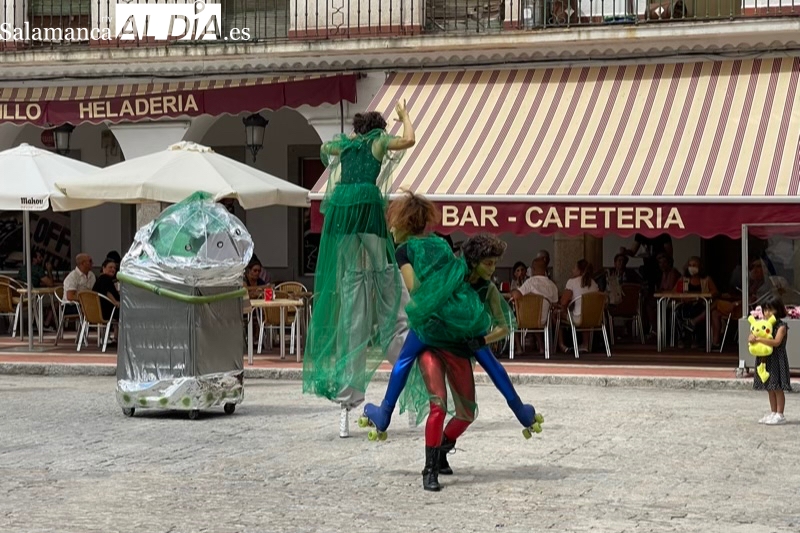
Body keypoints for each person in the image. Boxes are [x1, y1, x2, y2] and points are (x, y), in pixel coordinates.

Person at [361, 200, 542, 488]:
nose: (494, 269)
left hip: (439, 330)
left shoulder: (406, 251)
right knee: (438, 404)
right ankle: (429, 469)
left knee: (462, 408)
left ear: (404, 223)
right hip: (444, 334)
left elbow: (415, 289)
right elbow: (492, 363)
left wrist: (433, 301)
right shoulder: (444, 249)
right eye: (490, 263)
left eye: (394, 224)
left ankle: (400, 422)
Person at [303, 100, 416, 437]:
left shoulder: (347, 144)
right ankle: (405, 371)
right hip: (365, 209)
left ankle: (346, 401)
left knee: (353, 286)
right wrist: (405, 117)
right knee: (384, 273)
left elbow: (325, 147)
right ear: (378, 128)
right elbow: (408, 140)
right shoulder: (378, 141)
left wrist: (343, 143)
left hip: (342, 212)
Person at [751, 296, 791, 425]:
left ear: (778, 310)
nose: (767, 313)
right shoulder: (761, 324)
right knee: (769, 387)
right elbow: (753, 334)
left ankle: (780, 414)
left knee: (777, 387)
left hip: (777, 359)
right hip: (765, 359)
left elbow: (776, 342)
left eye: (770, 310)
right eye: (765, 310)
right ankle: (773, 412)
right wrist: (752, 337)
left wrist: (759, 340)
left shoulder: (781, 326)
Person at [673, 256, 719, 349]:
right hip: (686, 304)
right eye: (690, 265)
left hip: (700, 304)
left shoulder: (706, 279)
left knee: (699, 311)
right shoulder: (683, 279)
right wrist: (682, 298)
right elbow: (674, 292)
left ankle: (698, 340)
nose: (692, 267)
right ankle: (683, 339)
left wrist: (704, 295)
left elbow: (715, 292)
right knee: (678, 312)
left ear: (700, 267)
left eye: (694, 265)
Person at [557, 259, 599, 353]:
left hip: (578, 318)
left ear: (579, 270)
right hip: (595, 318)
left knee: (556, 316)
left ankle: (561, 345)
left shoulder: (572, 282)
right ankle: (585, 344)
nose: (572, 270)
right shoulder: (594, 284)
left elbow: (563, 302)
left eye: (574, 268)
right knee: (585, 313)